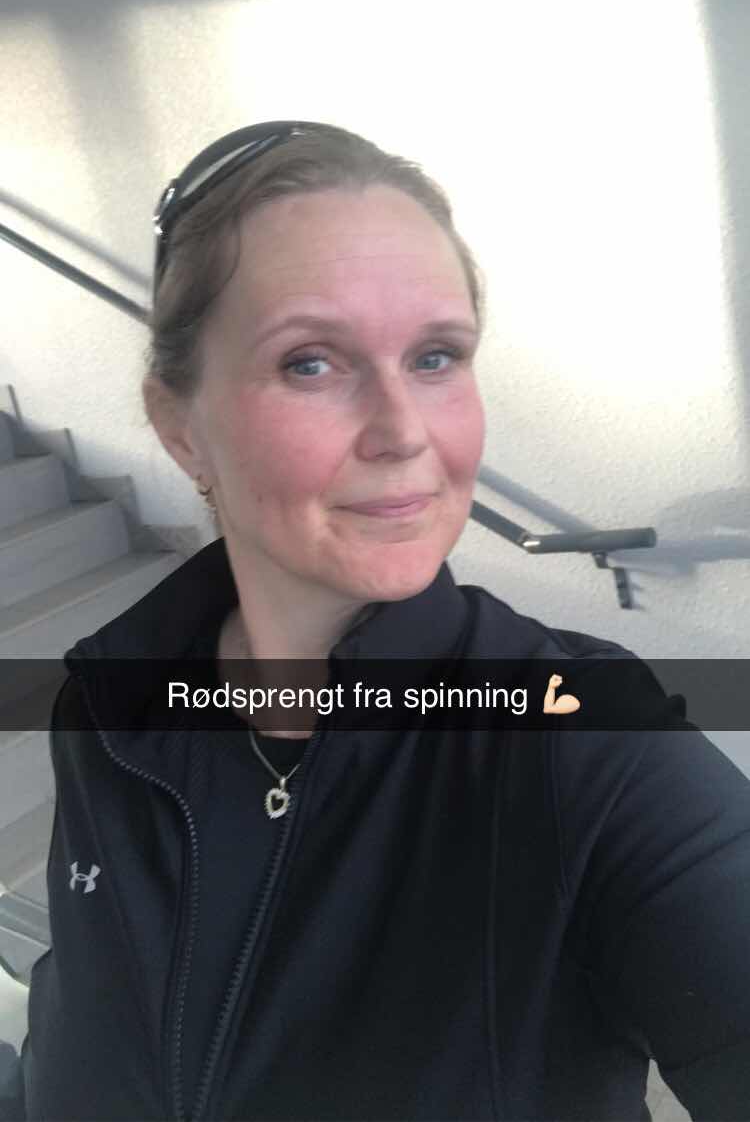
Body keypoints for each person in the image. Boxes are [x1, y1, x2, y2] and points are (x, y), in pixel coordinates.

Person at [4, 120, 749, 1121]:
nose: (404, 431)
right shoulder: (108, 710)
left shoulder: (587, 740)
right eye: (311, 362)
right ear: (182, 428)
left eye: (436, 356)